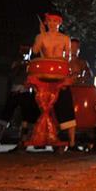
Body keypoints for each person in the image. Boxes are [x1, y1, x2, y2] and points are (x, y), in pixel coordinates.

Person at [28, 10, 77, 150]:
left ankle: (72, 142)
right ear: (46, 22)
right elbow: (35, 51)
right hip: (44, 74)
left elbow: (67, 58)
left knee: (65, 106)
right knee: (42, 106)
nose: (52, 23)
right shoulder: (41, 36)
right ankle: (41, 137)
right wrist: (40, 37)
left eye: (55, 21)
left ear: (60, 23)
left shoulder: (65, 38)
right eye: (49, 21)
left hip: (60, 74)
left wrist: (68, 76)